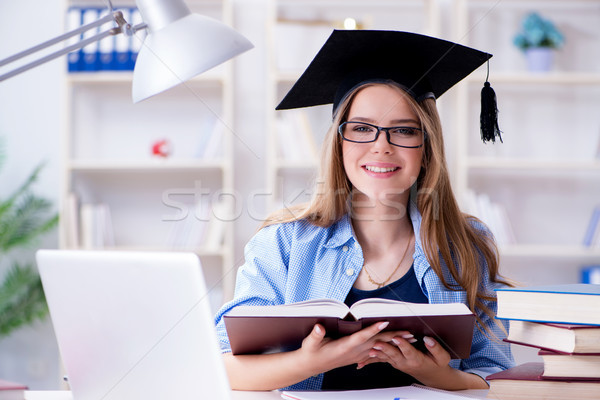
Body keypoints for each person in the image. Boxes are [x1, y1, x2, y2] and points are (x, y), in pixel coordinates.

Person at [214, 30, 513, 391]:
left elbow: (497, 379)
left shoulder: (467, 245)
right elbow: (224, 365)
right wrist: (315, 360)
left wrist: (437, 376)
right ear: (339, 143)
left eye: (403, 130)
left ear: (427, 145)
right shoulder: (285, 243)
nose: (381, 146)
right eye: (361, 129)